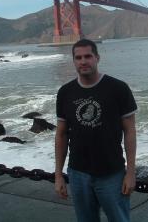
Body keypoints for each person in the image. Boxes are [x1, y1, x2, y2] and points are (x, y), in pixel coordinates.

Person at [55, 38, 137, 222]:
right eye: (78, 57)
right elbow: (61, 134)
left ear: (97, 58)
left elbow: (130, 132)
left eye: (88, 56)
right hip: (78, 173)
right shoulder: (65, 92)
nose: (83, 61)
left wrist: (130, 173)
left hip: (112, 173)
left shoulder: (118, 88)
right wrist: (59, 175)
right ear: (74, 61)